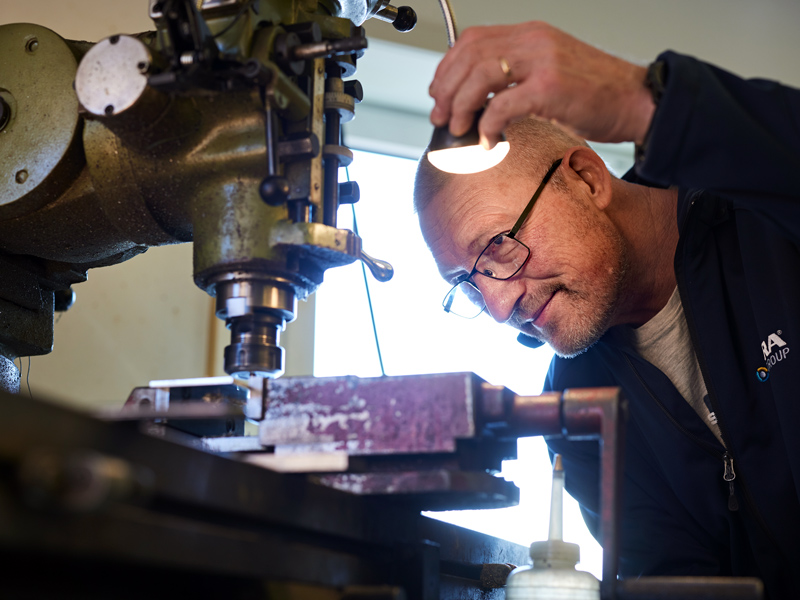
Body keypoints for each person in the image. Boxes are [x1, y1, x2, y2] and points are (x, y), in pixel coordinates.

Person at [415, 21, 800, 600]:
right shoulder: (578, 407)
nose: (498, 306)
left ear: (587, 178)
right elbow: (675, 579)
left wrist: (640, 100)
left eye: (497, 244)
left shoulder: (761, 217)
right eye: (468, 286)